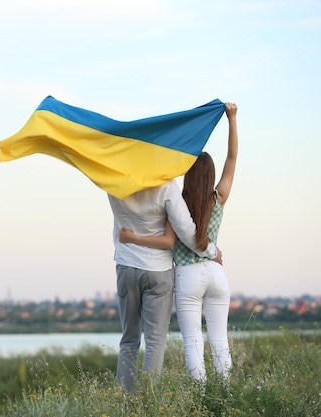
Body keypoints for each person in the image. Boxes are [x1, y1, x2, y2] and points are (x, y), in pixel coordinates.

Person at [119, 102, 238, 383]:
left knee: (192, 342)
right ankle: (226, 394)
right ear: (209, 177)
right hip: (216, 273)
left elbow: (170, 239)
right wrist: (232, 120)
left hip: (188, 276)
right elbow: (232, 158)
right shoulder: (218, 198)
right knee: (220, 341)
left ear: (188, 174)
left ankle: (200, 395)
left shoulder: (178, 204)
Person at [108, 161, 223, 392]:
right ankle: (149, 403)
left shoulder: (113, 182)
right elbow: (187, 231)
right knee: (155, 342)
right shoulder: (167, 186)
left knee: (128, 340)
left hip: (126, 266)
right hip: (158, 270)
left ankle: (123, 402)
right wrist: (212, 252)